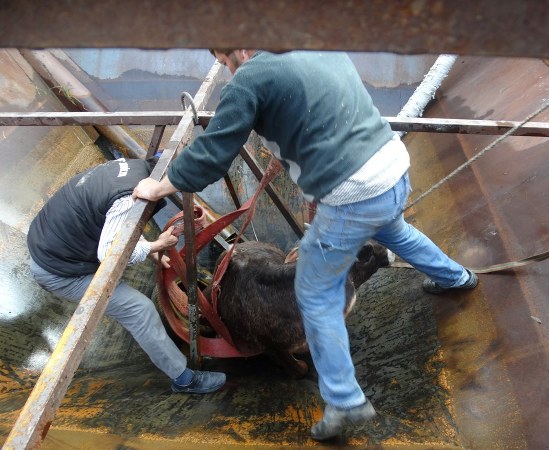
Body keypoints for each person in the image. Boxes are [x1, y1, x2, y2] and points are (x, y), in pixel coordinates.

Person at [132, 50, 478, 440]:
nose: (230, 69)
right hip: (392, 169)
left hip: (351, 196)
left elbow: (211, 156)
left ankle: (345, 400)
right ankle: (458, 277)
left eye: (225, 60)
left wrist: (160, 185)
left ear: (240, 50)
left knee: (314, 297)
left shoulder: (251, 77)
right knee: (397, 233)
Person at [27, 157, 226, 395]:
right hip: (60, 270)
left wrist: (151, 252)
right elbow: (111, 254)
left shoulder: (137, 168)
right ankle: (184, 380)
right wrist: (155, 245)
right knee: (139, 310)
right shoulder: (127, 197)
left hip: (54, 243)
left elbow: (118, 221)